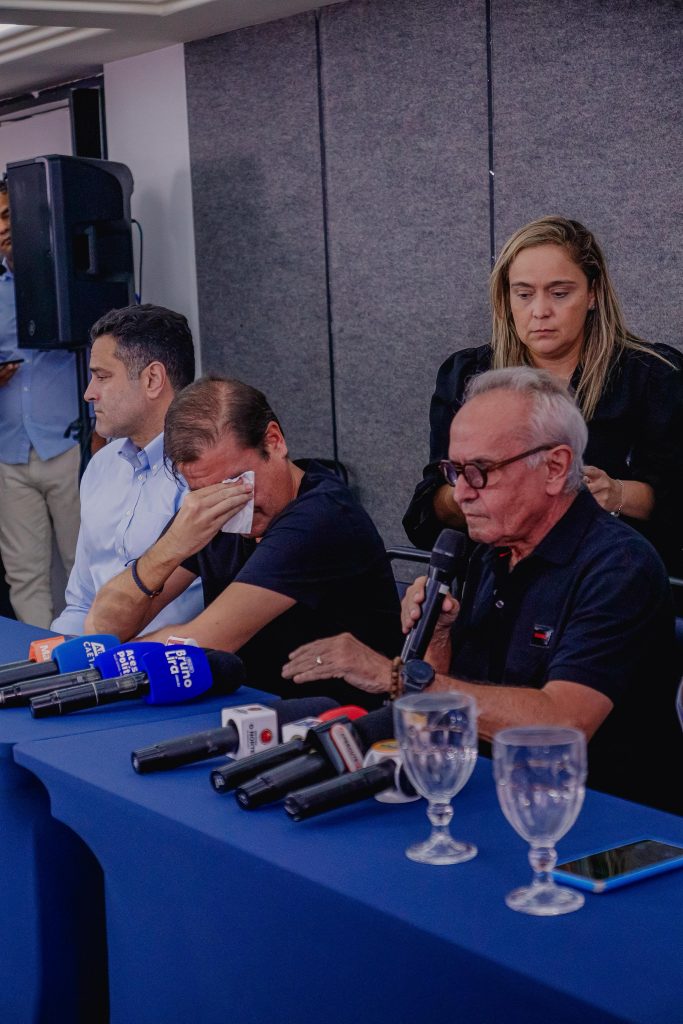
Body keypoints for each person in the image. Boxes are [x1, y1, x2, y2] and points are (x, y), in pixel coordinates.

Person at [283, 367, 682, 814]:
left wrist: (395, 677)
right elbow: (450, 701)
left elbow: (563, 724)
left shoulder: (619, 567)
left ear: (554, 468)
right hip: (483, 790)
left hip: (600, 816)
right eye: (454, 471)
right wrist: (438, 637)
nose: (460, 494)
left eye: (479, 471)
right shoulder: (490, 550)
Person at [85, 375, 402, 705]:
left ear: (274, 442)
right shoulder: (212, 509)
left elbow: (200, 643)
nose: (232, 504)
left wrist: (110, 663)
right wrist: (170, 546)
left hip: (332, 721)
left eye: (237, 481)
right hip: (246, 708)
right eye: (205, 491)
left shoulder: (322, 517)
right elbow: (102, 628)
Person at [403, 216, 683, 577]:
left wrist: (615, 494)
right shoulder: (468, 374)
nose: (540, 311)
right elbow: (426, 514)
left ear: (593, 293)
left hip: (611, 576)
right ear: (506, 298)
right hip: (498, 579)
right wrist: (473, 488)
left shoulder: (652, 376)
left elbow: (674, 503)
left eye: (559, 293)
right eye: (523, 294)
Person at [51, 304, 204, 635]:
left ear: (152, 379)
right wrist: (56, 655)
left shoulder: (205, 471)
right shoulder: (101, 465)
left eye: (102, 376)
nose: (89, 393)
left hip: (171, 658)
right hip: (94, 652)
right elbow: (81, 602)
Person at [0, 176, 81, 629]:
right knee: (24, 577)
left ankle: (89, 656)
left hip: (70, 445)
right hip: (8, 451)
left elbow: (117, 343)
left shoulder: (73, 275)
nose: (1, 228)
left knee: (83, 566)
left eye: (7, 215)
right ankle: (39, 660)